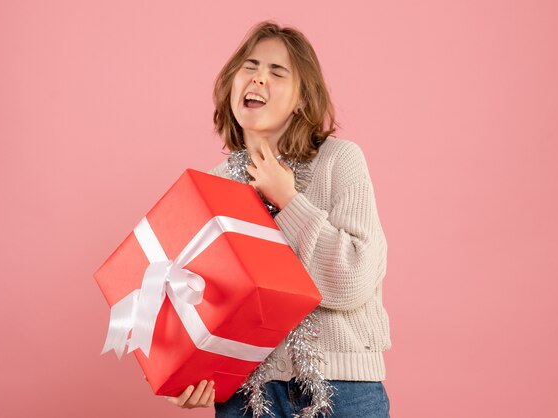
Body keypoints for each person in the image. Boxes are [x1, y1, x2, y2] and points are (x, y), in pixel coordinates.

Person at [165, 20, 391, 417]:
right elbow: (198, 304)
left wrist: (287, 199)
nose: (258, 79)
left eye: (277, 71)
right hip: (246, 398)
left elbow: (352, 281)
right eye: (249, 67)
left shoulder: (340, 162)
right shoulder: (210, 189)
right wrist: (186, 375)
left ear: (302, 98)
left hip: (342, 392)